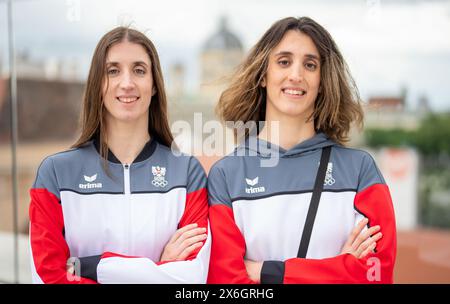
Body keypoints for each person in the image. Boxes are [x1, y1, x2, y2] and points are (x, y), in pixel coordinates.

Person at [207, 16, 396, 284]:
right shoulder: (226, 175)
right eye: (284, 62)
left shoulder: (360, 172)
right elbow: (226, 282)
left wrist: (263, 272)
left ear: (322, 80)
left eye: (310, 65)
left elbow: (376, 275)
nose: (296, 75)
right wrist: (338, 270)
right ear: (263, 75)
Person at [29, 26, 211, 284]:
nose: (127, 83)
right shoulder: (56, 174)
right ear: (97, 84)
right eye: (113, 71)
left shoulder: (188, 173)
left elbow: (191, 279)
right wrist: (160, 267)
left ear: (154, 85)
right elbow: (48, 276)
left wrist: (92, 266)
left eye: (139, 70)